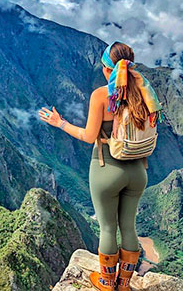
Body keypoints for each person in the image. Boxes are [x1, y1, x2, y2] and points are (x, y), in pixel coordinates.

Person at [38, 41, 163, 291]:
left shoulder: (102, 95)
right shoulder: (145, 91)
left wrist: (59, 123)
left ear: (107, 69)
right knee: (129, 226)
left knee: (108, 228)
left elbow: (88, 135)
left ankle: (106, 283)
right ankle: (124, 284)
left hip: (107, 169)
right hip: (138, 170)